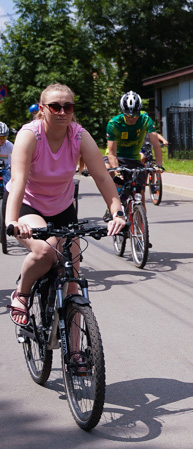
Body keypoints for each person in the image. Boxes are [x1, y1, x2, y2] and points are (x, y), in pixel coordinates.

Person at [5, 83, 126, 326]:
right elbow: (18, 180)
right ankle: (23, 292)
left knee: (72, 282)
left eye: (67, 106)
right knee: (45, 251)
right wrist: (12, 220)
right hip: (30, 206)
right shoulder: (30, 135)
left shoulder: (79, 135)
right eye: (55, 107)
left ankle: (78, 356)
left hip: (62, 208)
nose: (62, 112)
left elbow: (102, 176)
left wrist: (118, 212)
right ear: (43, 109)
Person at [106, 91, 164, 210]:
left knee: (140, 197)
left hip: (133, 158)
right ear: (123, 112)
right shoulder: (114, 123)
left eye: (135, 115)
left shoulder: (145, 120)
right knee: (108, 171)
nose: (132, 118)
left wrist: (159, 165)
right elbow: (112, 153)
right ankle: (112, 207)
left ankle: (141, 225)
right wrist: (117, 173)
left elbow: (156, 144)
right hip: (117, 157)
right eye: (128, 115)